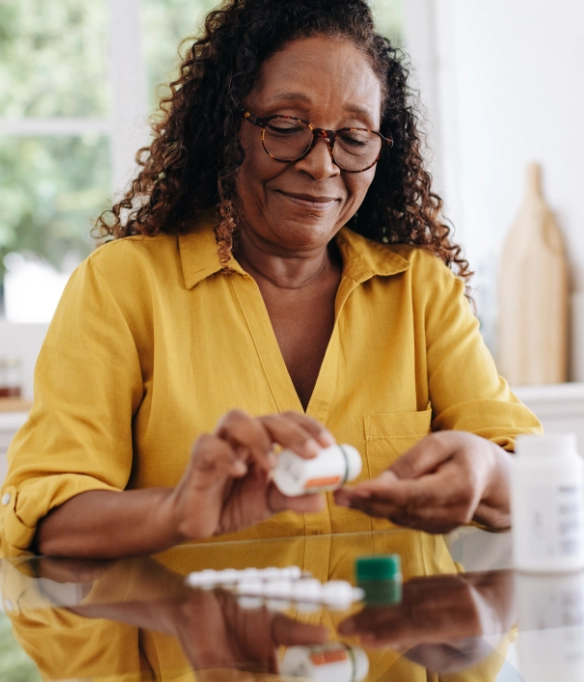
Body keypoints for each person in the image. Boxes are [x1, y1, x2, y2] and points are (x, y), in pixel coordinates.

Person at [0, 0, 540, 560]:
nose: (322, 165)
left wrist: (488, 471)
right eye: (286, 127)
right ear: (226, 125)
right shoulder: (123, 285)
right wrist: (180, 510)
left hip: (385, 646)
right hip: (194, 646)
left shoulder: (419, 290)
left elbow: (532, 478)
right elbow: (47, 521)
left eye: (354, 138)